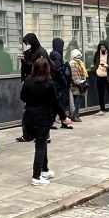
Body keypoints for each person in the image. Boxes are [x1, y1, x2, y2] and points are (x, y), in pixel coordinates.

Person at [20, 58, 70, 186]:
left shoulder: (28, 81)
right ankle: (36, 176)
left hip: (30, 116)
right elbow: (56, 102)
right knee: (40, 145)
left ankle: (44, 169)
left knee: (42, 143)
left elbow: (22, 97)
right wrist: (64, 117)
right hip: (43, 117)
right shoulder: (49, 83)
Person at [16, 33, 50, 142]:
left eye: (28, 42)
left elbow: (38, 66)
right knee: (27, 111)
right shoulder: (30, 52)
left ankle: (45, 135)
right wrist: (23, 79)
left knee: (41, 111)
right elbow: (25, 68)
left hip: (39, 83)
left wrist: (24, 61)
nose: (27, 45)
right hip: (30, 82)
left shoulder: (41, 52)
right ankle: (27, 134)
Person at [49, 38, 72, 129]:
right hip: (59, 84)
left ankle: (62, 121)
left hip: (57, 83)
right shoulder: (57, 55)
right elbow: (58, 70)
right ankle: (59, 121)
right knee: (59, 103)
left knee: (59, 103)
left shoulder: (54, 54)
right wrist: (64, 81)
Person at [68, 49, 88, 120]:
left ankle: (77, 115)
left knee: (78, 100)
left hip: (80, 84)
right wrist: (78, 82)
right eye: (78, 55)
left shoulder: (79, 62)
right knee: (75, 101)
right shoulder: (73, 63)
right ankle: (74, 115)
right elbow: (74, 75)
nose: (79, 56)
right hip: (76, 86)